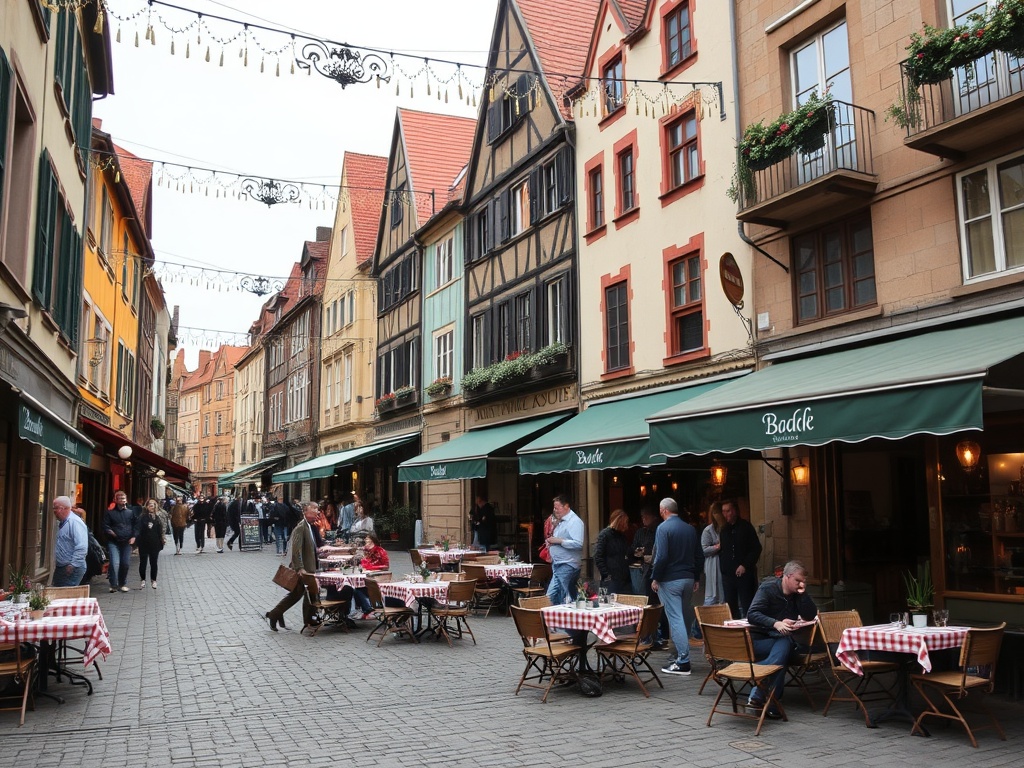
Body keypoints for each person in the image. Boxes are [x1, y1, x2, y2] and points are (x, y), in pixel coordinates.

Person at [745, 560, 819, 717]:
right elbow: (752, 614)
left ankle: (762, 695)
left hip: (783, 643)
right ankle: (770, 701)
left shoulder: (797, 594)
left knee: (783, 649)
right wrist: (775, 623)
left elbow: (810, 615)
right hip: (759, 641)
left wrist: (803, 594)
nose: (800, 584)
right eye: (798, 581)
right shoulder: (768, 588)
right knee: (784, 647)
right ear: (787, 576)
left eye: (803, 582)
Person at [651, 497, 704, 676]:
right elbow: (699, 555)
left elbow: (662, 556)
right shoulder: (690, 529)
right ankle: (679, 656)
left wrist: (655, 577)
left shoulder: (663, 528)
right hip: (688, 578)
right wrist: (696, 576)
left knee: (675, 619)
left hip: (670, 579)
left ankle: (683, 660)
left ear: (663, 510)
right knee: (682, 618)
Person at [265, 501, 322, 632]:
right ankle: (309, 620)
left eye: (318, 510)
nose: (317, 512)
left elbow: (310, 547)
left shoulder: (310, 526)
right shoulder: (301, 527)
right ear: (306, 512)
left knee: (297, 595)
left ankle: (275, 614)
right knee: (308, 593)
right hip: (304, 570)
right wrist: (300, 568)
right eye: (314, 510)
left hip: (309, 568)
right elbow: (296, 550)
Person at [719, 498, 762, 618]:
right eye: (723, 511)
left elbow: (756, 548)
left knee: (747, 604)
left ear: (734, 511)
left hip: (744, 574)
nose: (725, 514)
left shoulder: (746, 527)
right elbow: (724, 550)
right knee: (731, 606)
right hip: (728, 575)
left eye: (728, 511)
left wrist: (745, 565)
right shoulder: (724, 530)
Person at [631, 506, 668, 647]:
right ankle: (650, 634)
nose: (643, 519)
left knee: (659, 605)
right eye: (642, 517)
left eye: (646, 516)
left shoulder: (660, 530)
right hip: (645, 570)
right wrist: (637, 552)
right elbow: (634, 548)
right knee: (649, 603)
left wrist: (649, 555)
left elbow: (661, 551)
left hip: (658, 571)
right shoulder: (641, 532)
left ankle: (662, 635)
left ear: (654, 517)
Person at [544, 494, 584, 605]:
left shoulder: (574, 522)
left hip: (567, 563)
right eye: (554, 508)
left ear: (566, 506)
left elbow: (578, 543)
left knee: (553, 594)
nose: (554, 510)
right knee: (567, 594)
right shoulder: (561, 521)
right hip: (559, 563)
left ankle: (546, 615)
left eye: (557, 508)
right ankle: (566, 617)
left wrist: (559, 541)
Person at [103, 491, 138, 593]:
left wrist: (134, 537)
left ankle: (122, 583)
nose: (123, 501)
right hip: (113, 542)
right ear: (115, 500)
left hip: (127, 542)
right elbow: (105, 526)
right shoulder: (110, 513)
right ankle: (113, 585)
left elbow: (136, 526)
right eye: (120, 499)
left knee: (125, 563)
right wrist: (112, 533)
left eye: (124, 499)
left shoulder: (130, 513)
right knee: (114, 563)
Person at [350, 533, 392, 618]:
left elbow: (386, 566)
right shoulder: (366, 550)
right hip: (366, 574)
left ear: (372, 540)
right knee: (355, 587)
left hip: (378, 576)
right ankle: (365, 609)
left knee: (358, 588)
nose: (365, 540)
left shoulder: (380, 551)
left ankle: (367, 609)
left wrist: (371, 568)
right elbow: (363, 562)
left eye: (367, 538)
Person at [52, 496, 88, 587]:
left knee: (64, 595)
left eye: (55, 508)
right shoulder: (63, 522)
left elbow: (82, 546)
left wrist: (73, 565)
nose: (54, 511)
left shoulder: (74, 522)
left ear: (61, 509)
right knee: (59, 593)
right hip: (63, 566)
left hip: (71, 567)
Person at [594, 509, 631, 595]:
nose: (626, 525)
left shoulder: (622, 536)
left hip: (623, 578)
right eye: (625, 522)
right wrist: (606, 575)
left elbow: (625, 552)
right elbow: (598, 556)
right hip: (611, 578)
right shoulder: (605, 535)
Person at [135, 499, 165, 589]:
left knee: (154, 562)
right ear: (146, 506)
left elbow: (161, 530)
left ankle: (154, 580)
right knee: (143, 562)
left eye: (153, 504)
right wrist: (136, 541)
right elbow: (138, 529)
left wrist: (162, 540)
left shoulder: (158, 517)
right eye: (150, 504)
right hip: (144, 543)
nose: (152, 506)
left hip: (155, 543)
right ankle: (143, 579)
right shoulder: (142, 517)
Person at [702, 503, 725, 607]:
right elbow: (705, 549)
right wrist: (718, 546)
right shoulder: (708, 530)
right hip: (713, 563)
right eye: (714, 513)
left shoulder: (727, 528)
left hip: (725, 561)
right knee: (714, 589)